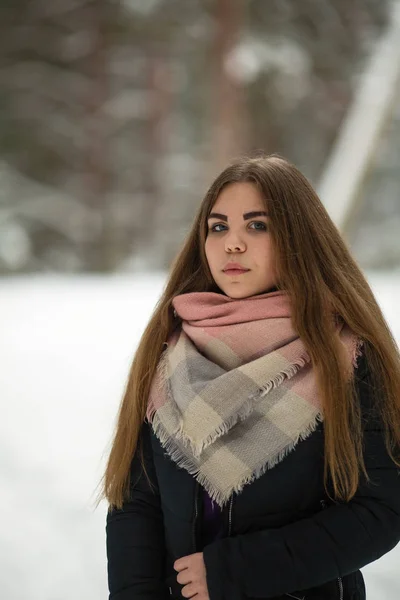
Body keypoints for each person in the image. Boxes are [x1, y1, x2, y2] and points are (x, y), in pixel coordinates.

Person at [103, 155, 400, 600]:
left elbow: (382, 509)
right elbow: (136, 501)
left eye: (258, 226)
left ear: (300, 237)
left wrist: (233, 572)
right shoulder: (170, 350)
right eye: (218, 227)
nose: (232, 244)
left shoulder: (348, 356)